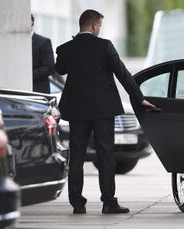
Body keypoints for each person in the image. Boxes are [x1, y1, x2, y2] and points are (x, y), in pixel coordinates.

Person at [55, 9, 156, 214]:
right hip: (103, 110)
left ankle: (77, 203)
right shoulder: (104, 46)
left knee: (76, 156)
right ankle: (108, 202)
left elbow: (59, 69)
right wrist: (140, 98)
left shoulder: (67, 48)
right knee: (105, 155)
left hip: (77, 111)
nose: (100, 29)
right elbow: (123, 74)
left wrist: (71, 50)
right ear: (93, 26)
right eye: (99, 25)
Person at [31, 14, 54, 93]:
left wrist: (28, 75)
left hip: (38, 90)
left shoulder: (43, 42)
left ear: (32, 22)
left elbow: (49, 67)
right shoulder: (16, 43)